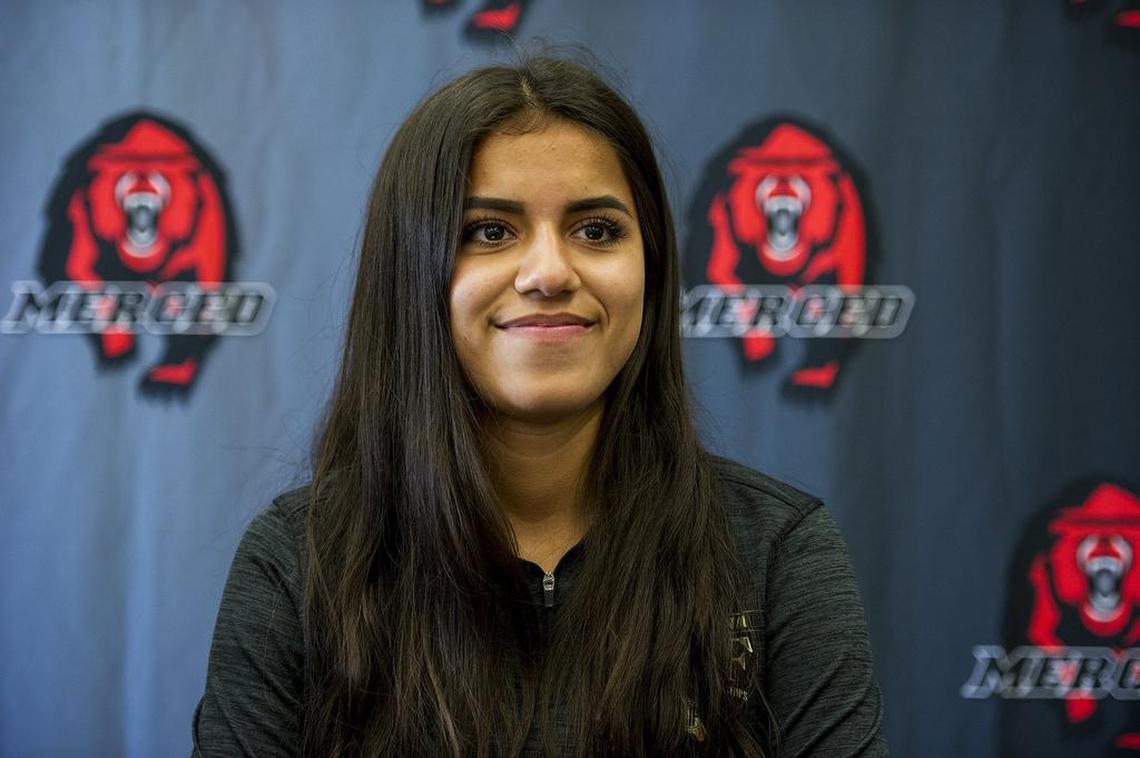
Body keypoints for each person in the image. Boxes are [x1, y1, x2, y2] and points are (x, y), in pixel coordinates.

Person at [191, 53, 889, 757]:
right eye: (489, 231)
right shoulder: (298, 563)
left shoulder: (777, 552)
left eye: (597, 230)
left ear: (651, 264)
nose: (550, 272)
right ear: (411, 273)